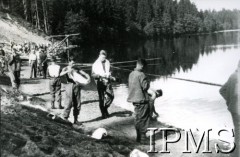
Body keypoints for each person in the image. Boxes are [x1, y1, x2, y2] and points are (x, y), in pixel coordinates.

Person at [61, 57, 90, 124]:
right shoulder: (65, 68)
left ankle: (76, 119)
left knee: (77, 102)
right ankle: (65, 118)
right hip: (69, 86)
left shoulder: (76, 68)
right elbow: (60, 74)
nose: (73, 64)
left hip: (76, 86)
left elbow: (84, 73)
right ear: (69, 62)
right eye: (72, 63)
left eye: (74, 63)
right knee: (69, 102)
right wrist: (67, 71)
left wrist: (88, 77)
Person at [127, 58, 150, 144]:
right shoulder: (142, 75)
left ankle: (139, 137)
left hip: (134, 100)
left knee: (137, 118)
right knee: (143, 118)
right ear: (142, 66)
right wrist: (148, 80)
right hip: (142, 100)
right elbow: (145, 87)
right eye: (144, 67)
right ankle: (143, 139)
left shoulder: (131, 74)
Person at [220, 60, 240, 157]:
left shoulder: (233, 75)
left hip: (233, 109)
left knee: (238, 133)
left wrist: (229, 101)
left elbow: (222, 90)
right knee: (238, 134)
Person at [92, 50, 115, 119]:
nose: (103, 59)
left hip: (107, 81)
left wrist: (111, 76)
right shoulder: (95, 64)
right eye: (102, 57)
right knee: (101, 98)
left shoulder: (107, 62)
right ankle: (103, 113)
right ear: (99, 56)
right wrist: (99, 76)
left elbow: (110, 71)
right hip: (100, 82)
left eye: (104, 57)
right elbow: (93, 75)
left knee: (111, 96)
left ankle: (105, 108)